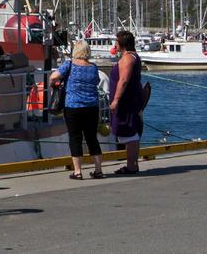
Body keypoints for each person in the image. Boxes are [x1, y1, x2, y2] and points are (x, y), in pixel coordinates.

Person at [49, 40, 104, 179]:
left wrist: (53, 84)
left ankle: (78, 172)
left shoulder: (69, 64)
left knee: (75, 138)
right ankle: (98, 170)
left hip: (73, 106)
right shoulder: (93, 67)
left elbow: (54, 76)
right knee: (92, 138)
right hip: (92, 106)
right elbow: (96, 81)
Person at [109, 30, 144, 174]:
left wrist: (116, 100)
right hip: (129, 99)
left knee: (130, 133)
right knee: (128, 133)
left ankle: (131, 166)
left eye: (116, 42)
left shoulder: (128, 58)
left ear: (122, 43)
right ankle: (132, 164)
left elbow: (123, 80)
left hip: (126, 101)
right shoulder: (131, 56)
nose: (115, 45)